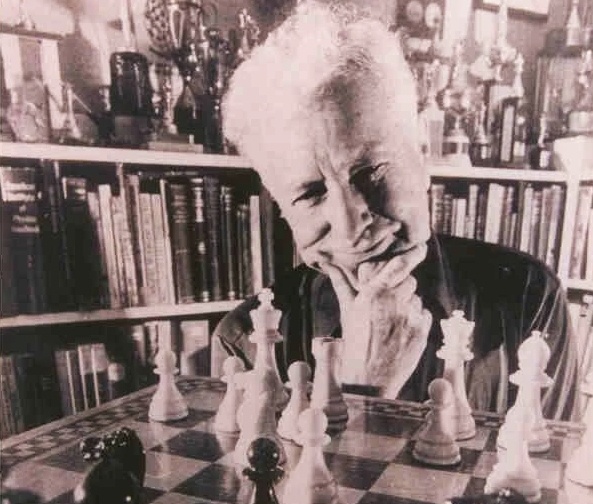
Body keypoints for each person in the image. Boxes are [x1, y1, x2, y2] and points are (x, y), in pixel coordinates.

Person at [213, 0, 578, 421]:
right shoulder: (242, 342)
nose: (351, 227)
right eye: (310, 195)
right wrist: (362, 391)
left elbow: (550, 462)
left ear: (421, 158)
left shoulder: (530, 298)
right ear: (282, 210)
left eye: (372, 172)